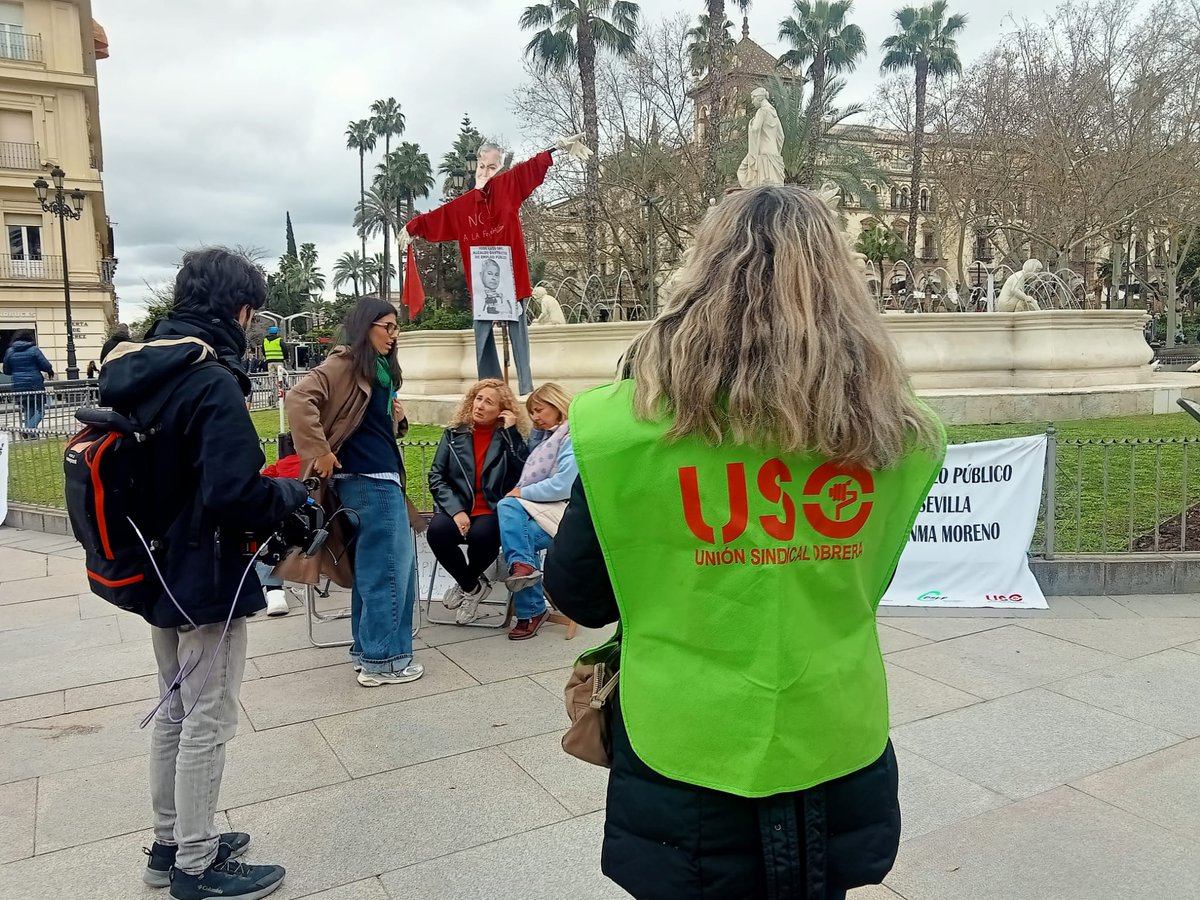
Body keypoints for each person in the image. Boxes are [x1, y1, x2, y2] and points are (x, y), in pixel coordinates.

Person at [545, 186, 947, 900]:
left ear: (699, 275)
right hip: (835, 731)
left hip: (684, 743)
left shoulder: (619, 428)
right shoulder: (903, 434)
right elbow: (865, 577)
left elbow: (579, 593)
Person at [99, 248, 308, 899]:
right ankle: (196, 864)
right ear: (239, 308)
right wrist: (292, 499)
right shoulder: (209, 379)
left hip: (155, 566)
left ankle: (170, 842)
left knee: (173, 710)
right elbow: (233, 493)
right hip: (205, 574)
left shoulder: (144, 369)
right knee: (207, 719)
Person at [287, 297, 423, 687]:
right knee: (391, 572)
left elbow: (365, 426)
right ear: (366, 326)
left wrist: (397, 421)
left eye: (397, 328)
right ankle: (388, 660)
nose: (394, 336)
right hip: (371, 481)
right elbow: (299, 398)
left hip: (374, 478)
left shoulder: (376, 369)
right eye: (388, 326)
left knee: (373, 572)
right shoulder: (344, 362)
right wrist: (320, 451)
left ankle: (368, 655)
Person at [399, 135, 592, 394]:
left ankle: (525, 390)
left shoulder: (508, 186)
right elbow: (436, 218)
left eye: (493, 167)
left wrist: (556, 148)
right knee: (482, 338)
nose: (486, 172)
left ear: (499, 168)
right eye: (482, 166)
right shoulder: (463, 206)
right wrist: (410, 228)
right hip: (482, 284)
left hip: (512, 279)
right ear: (477, 165)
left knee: (519, 335)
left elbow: (530, 167)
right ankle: (490, 390)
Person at [427, 378, 528, 625]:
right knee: (437, 532)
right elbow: (436, 476)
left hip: (492, 508)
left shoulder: (507, 438)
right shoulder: (453, 435)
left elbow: (525, 472)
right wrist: (456, 511)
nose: (480, 405)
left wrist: (511, 433)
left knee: (483, 535)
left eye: (489, 402)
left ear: (502, 411)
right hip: (457, 507)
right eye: (478, 398)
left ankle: (467, 584)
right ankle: (473, 587)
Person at [496, 383, 576, 640]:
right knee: (521, 538)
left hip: (566, 515)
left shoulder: (572, 438)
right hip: (542, 512)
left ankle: (530, 610)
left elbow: (564, 485)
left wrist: (523, 493)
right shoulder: (545, 440)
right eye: (531, 412)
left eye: (539, 410)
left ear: (558, 405)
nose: (535, 417)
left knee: (508, 505)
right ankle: (527, 583)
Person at [255, 434, 302, 617]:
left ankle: (267, 588)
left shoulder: (283, 464)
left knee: (269, 535)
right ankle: (272, 590)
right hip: (319, 523)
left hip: (290, 524)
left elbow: (262, 480)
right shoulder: (319, 462)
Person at [2, 330, 54, 430]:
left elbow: (6, 370)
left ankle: (30, 434)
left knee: (28, 409)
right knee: (40, 410)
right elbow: (46, 366)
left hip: (18, 385)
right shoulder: (34, 350)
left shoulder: (10, 351)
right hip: (35, 384)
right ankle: (29, 430)